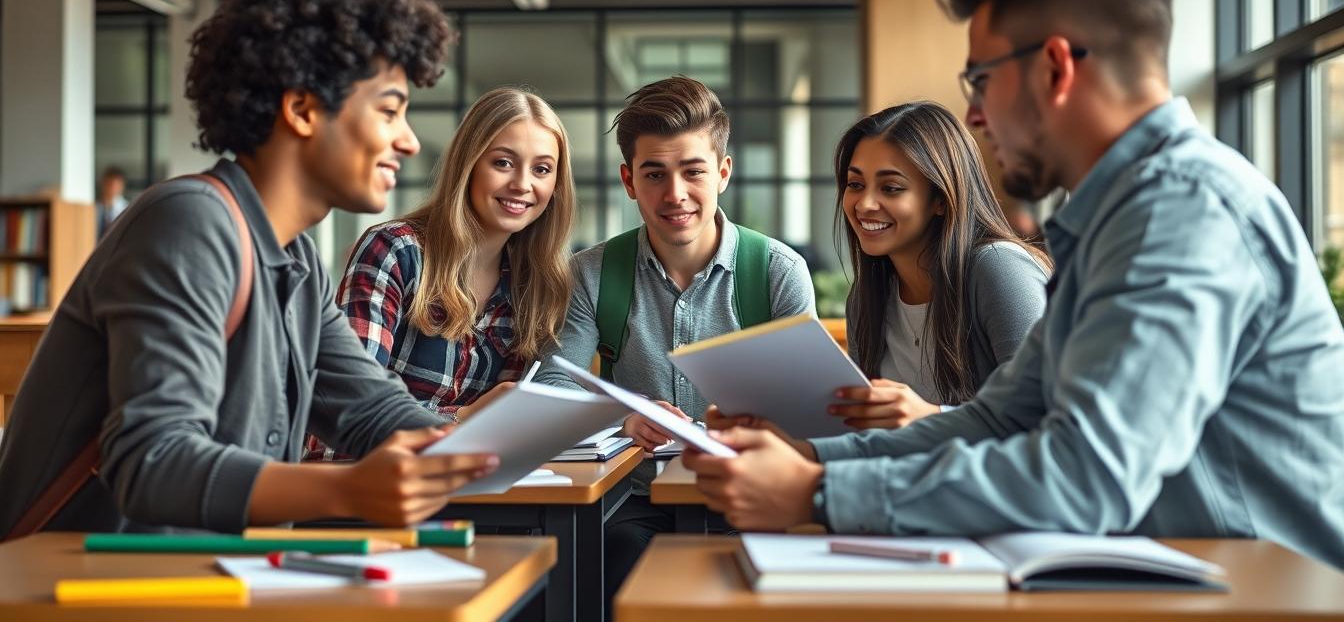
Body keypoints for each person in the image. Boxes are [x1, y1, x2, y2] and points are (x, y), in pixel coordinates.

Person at [684, 0, 1344, 569]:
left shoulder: (1181, 212)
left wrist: (821, 493)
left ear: (1055, 67)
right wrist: (811, 459)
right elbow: (1002, 419)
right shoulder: (1119, 219)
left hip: (1258, 595)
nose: (973, 116)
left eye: (980, 81)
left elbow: (1086, 477)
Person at [0, 0, 499, 538]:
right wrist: (347, 489)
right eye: (389, 110)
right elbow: (153, 461)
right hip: (80, 590)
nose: (409, 140)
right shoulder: (189, 223)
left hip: (210, 581)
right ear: (303, 109)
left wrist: (490, 443)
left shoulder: (297, 262)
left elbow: (372, 413)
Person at [532, 75, 816, 604]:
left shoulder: (777, 271)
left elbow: (807, 409)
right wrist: (623, 416)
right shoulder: (591, 274)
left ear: (724, 172)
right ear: (628, 180)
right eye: (654, 174)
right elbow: (552, 382)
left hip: (751, 498)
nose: (675, 194)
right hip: (635, 502)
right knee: (608, 566)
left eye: (693, 171)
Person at [304, 88, 575, 459]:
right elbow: (352, 399)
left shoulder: (534, 285)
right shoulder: (395, 250)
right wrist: (460, 418)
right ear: (469, 164)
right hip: (357, 481)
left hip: (461, 489)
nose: (522, 184)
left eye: (542, 169)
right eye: (503, 163)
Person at [824, 101, 1049, 429]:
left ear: (941, 200)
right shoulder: (866, 298)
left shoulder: (999, 269)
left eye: (891, 188)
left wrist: (930, 417)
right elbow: (863, 436)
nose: (865, 204)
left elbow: (1047, 414)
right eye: (855, 185)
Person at [95, 166, 129, 239]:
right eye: (109, 184)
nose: (113, 188)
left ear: (122, 186)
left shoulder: (128, 208)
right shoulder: (95, 207)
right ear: (103, 184)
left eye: (116, 184)